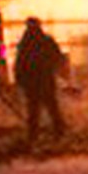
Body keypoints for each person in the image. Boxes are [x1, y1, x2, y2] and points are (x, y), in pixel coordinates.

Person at [14, 16, 66, 146]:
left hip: (33, 80)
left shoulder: (25, 43)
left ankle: (34, 134)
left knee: (35, 108)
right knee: (49, 106)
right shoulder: (46, 40)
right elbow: (58, 57)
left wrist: (19, 78)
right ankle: (58, 130)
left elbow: (19, 62)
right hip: (44, 78)